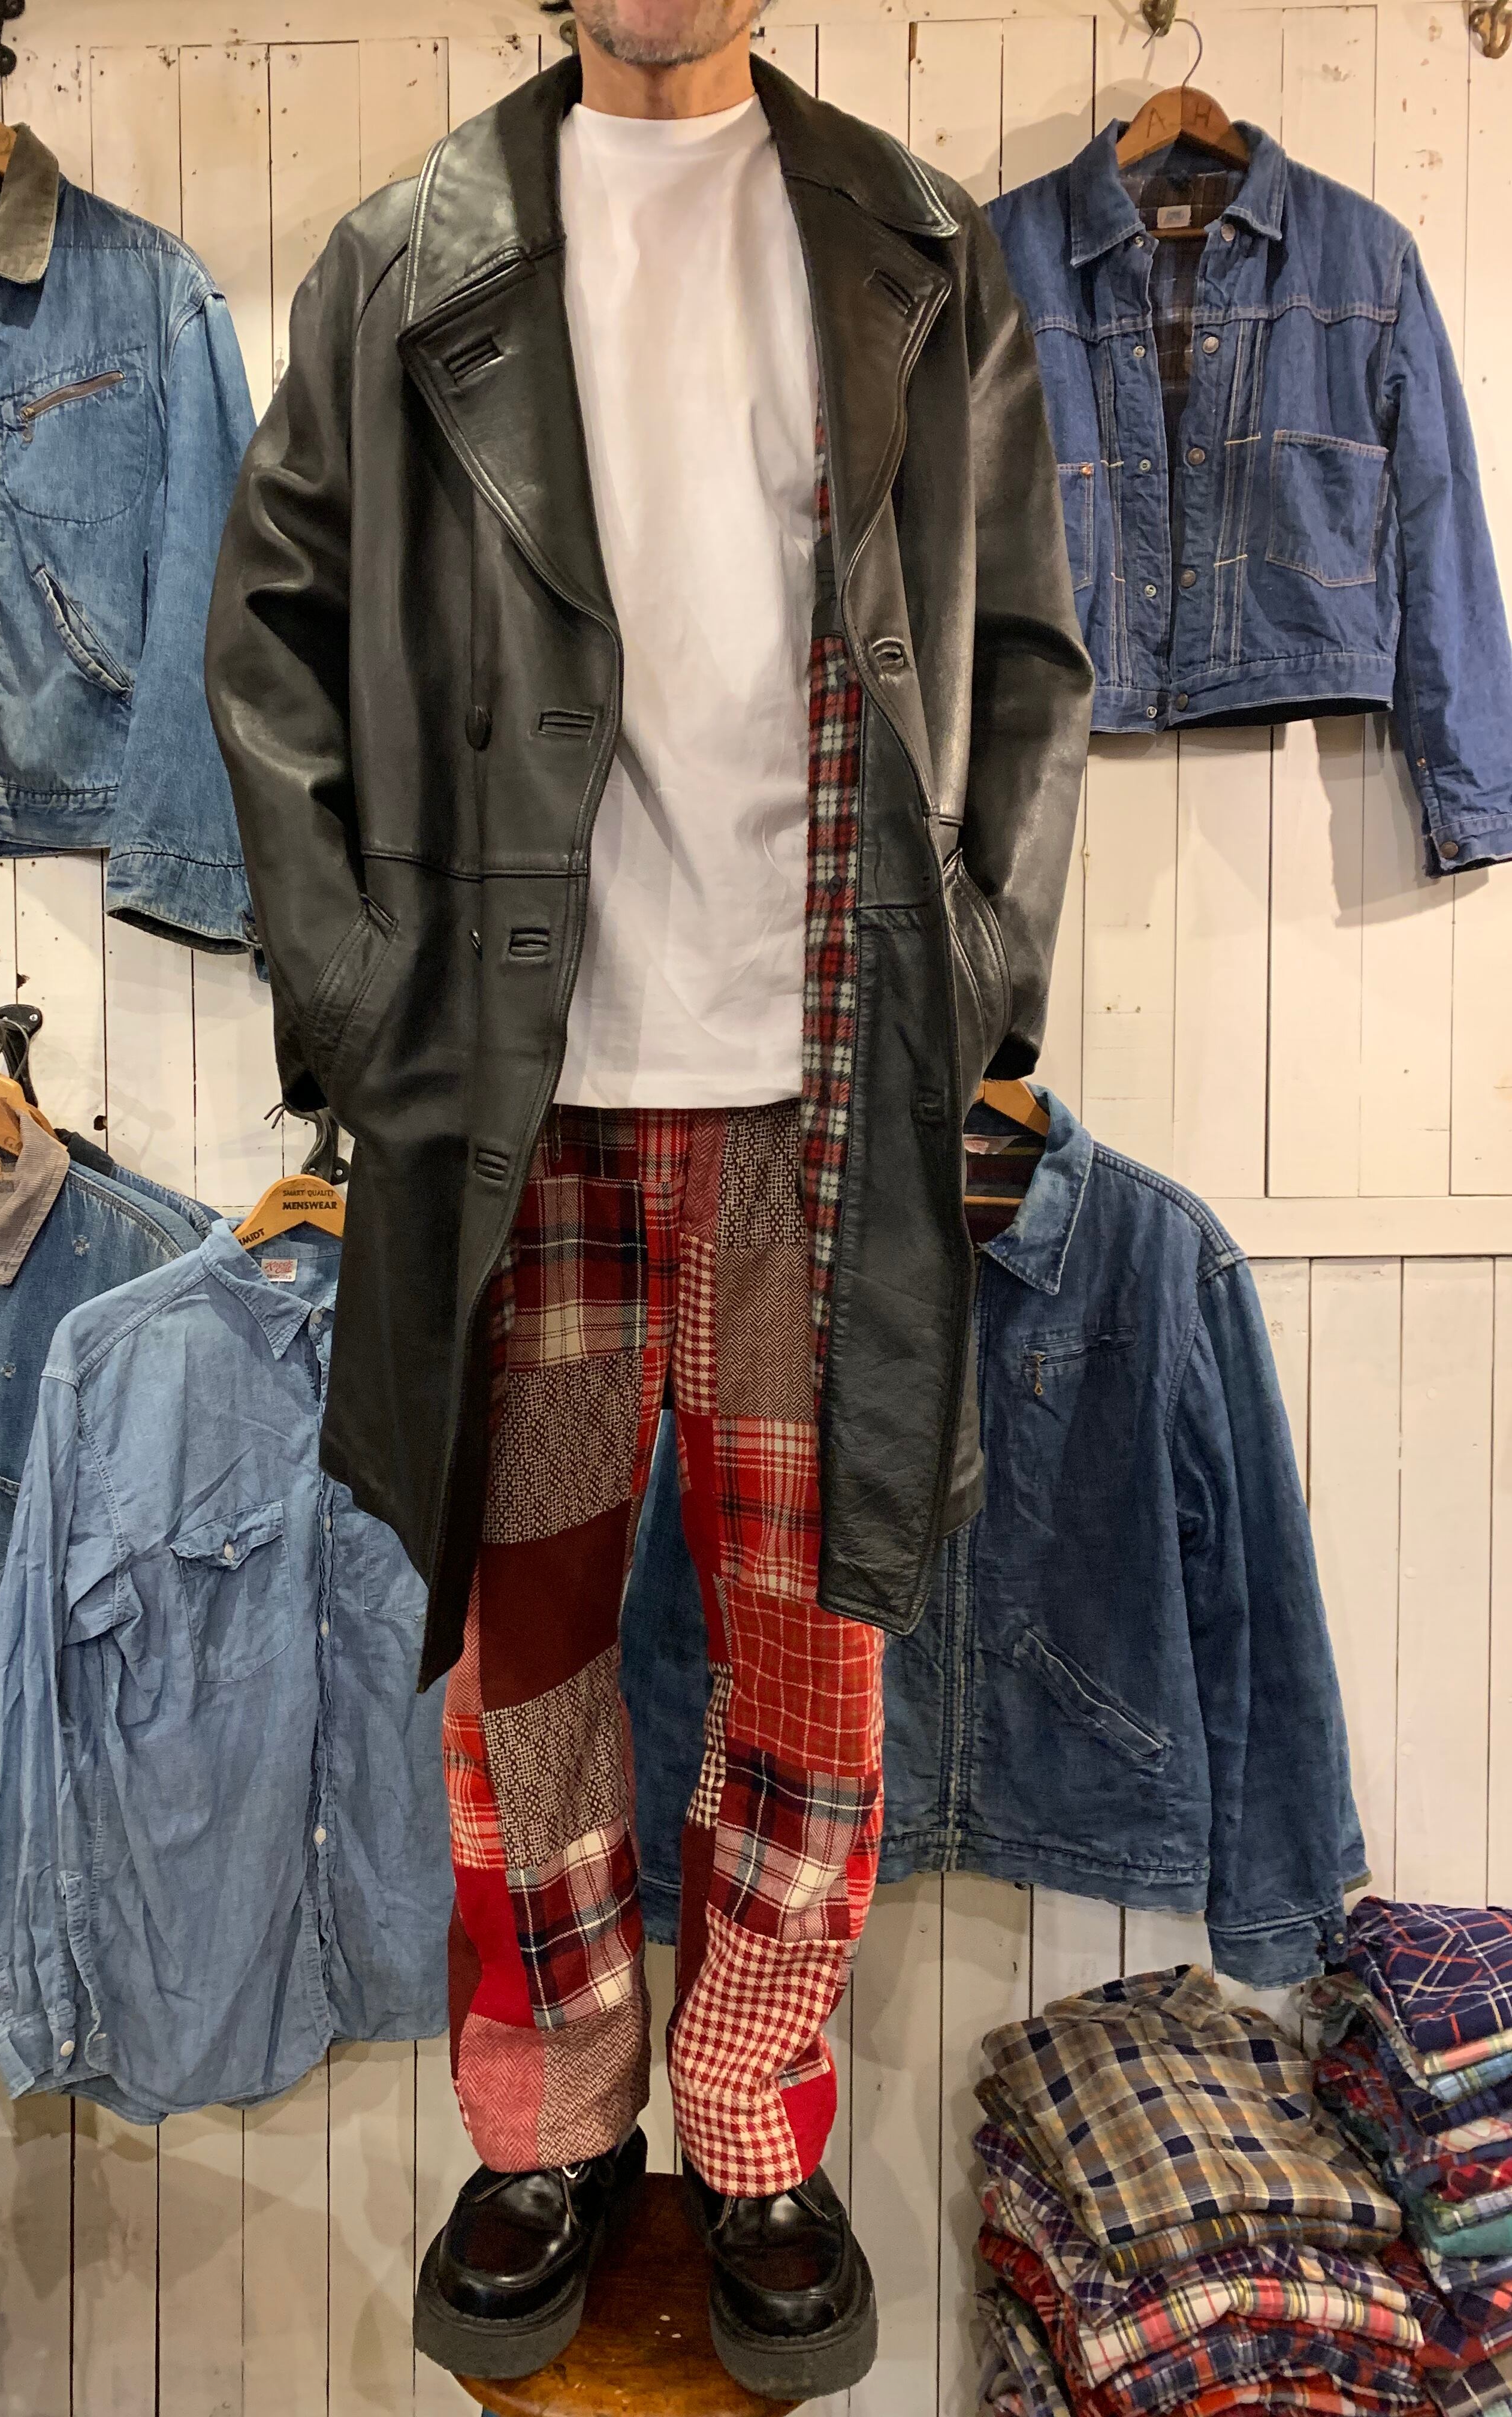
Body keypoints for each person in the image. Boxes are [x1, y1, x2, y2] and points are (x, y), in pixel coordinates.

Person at [204, 0, 1091, 2395]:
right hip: (528, 1108)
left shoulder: (917, 247)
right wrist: (367, 1007)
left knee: (813, 1668)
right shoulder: (408, 258)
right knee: (531, 1665)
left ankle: (757, 2123)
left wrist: (976, 979)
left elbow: (1024, 653)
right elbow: (269, 644)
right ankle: (554, 2123)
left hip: (826, 1098)